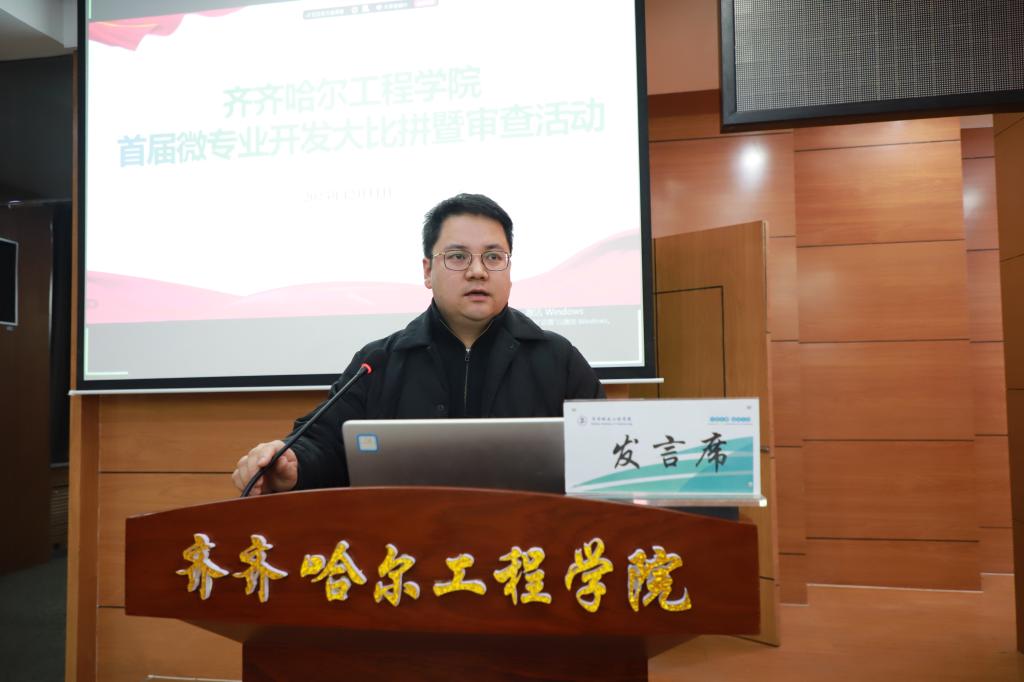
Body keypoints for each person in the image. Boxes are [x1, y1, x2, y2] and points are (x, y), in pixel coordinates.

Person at [231, 193, 605, 494]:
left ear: (508, 268)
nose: (477, 271)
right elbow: (323, 444)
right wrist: (291, 462)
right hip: (406, 551)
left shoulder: (557, 359)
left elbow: (605, 455)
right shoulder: (379, 362)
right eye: (457, 257)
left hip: (529, 550)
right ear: (428, 271)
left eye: (493, 257)